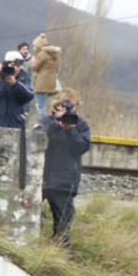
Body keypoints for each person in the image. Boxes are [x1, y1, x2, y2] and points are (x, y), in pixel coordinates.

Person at [39, 96, 93, 248]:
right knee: (29, 216)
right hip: (42, 178)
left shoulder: (80, 125)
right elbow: (36, 141)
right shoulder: (46, 121)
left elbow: (82, 147)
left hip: (64, 181)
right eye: (60, 108)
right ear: (54, 109)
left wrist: (70, 130)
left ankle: (59, 256)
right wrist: (55, 125)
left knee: (63, 226)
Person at [0, 53, 35, 129]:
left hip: (15, 125)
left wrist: (15, 84)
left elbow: (29, 96)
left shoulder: (24, 78)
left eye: (18, 65)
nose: (16, 68)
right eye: (12, 65)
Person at [29, 32, 62, 119]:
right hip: (50, 82)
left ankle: (42, 121)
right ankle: (46, 120)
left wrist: (32, 62)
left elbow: (34, 67)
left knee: (40, 105)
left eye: (34, 46)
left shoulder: (42, 54)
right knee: (45, 104)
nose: (33, 48)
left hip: (41, 82)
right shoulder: (52, 55)